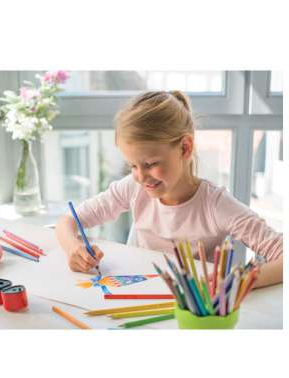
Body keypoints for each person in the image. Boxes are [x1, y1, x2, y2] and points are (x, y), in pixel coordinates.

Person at [55, 91, 283, 288]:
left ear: (185, 148)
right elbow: (68, 221)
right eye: (132, 165)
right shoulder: (133, 187)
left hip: (192, 310)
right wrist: (73, 248)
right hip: (137, 296)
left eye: (150, 164)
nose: (140, 176)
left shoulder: (215, 205)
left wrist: (236, 281)